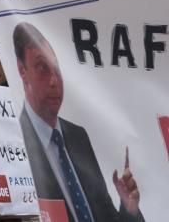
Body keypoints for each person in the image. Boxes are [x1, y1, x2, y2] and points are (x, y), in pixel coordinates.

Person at [13, 22, 143, 222]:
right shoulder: (16, 138)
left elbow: (106, 216)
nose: (54, 81)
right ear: (22, 71)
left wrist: (128, 208)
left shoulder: (77, 136)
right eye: (42, 67)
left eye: (57, 69)